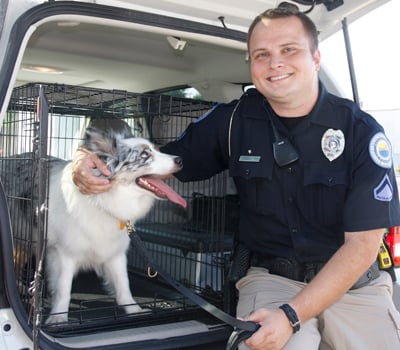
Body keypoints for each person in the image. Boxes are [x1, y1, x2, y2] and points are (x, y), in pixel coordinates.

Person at [72, 7, 400, 350]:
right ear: (252, 64)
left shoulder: (361, 132)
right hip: (273, 280)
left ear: (315, 58)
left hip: (351, 284)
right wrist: (86, 162)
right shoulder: (231, 123)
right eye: (262, 55)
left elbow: (362, 247)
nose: (275, 63)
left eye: (289, 50)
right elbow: (157, 160)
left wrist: (292, 315)